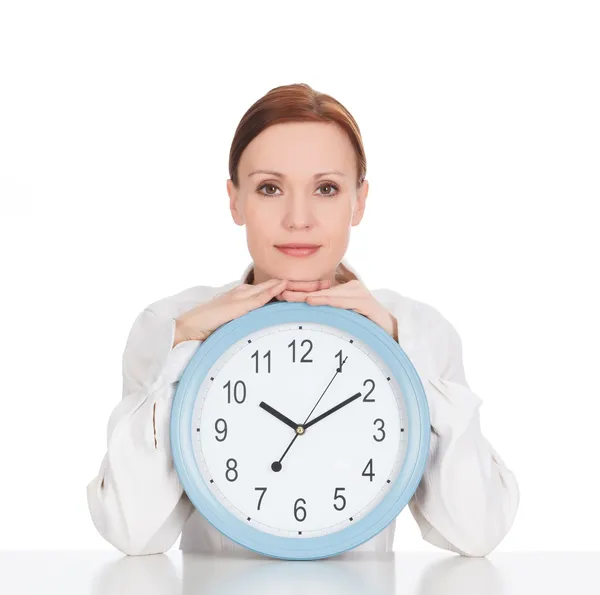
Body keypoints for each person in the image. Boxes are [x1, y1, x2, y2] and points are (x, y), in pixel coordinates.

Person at [86, 83, 520, 558]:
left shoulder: (417, 328)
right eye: (270, 188)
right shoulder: (168, 324)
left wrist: (403, 350)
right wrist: (186, 345)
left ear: (359, 201)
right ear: (235, 201)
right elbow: (133, 533)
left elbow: (475, 533)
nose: (298, 218)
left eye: (326, 188)